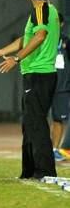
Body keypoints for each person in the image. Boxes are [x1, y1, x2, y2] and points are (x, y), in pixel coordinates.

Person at [0, 0, 59, 179]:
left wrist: (16, 59)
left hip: (39, 74)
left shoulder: (40, 10)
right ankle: (30, 171)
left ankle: (45, 171)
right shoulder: (47, 9)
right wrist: (1, 51)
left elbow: (40, 36)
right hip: (38, 75)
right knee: (30, 124)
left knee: (37, 124)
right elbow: (25, 40)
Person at [50, 13, 70, 161]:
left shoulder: (66, 41)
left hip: (61, 87)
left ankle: (54, 149)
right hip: (44, 84)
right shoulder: (43, 39)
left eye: (57, 22)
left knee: (58, 119)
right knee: (36, 119)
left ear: (61, 24)